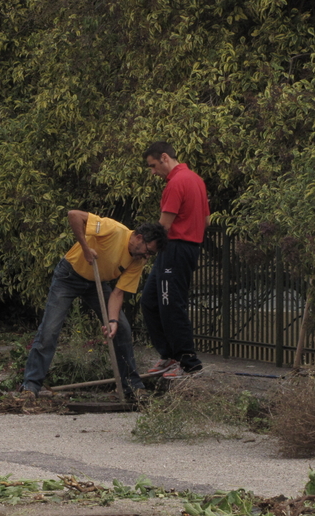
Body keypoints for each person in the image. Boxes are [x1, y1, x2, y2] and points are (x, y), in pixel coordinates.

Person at [19, 210, 167, 400]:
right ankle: (30, 386)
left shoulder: (138, 260)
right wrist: (85, 247)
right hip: (68, 276)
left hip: (96, 283)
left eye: (151, 254)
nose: (147, 256)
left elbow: (118, 292)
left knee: (121, 328)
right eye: (149, 250)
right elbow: (74, 215)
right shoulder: (113, 230)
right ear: (138, 238)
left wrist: (112, 321)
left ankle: (132, 386)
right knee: (49, 330)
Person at [141, 141, 210, 379]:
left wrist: (144, 248)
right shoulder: (196, 180)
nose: (152, 172)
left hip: (176, 248)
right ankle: (168, 356)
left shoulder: (176, 183)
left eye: (152, 166)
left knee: (171, 304)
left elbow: (163, 227)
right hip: (185, 247)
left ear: (164, 158)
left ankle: (188, 362)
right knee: (150, 301)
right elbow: (207, 221)